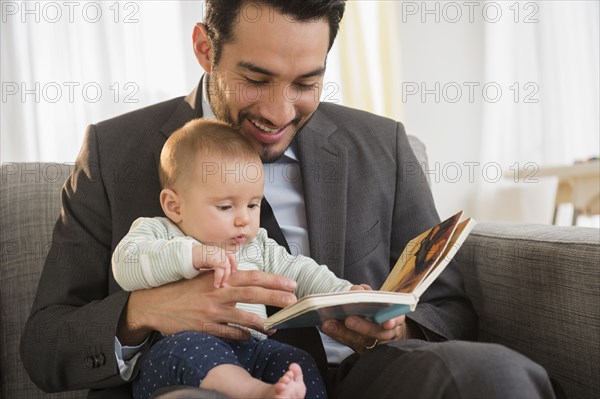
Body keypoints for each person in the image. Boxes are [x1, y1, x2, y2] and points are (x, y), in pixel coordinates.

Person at [21, 1, 555, 398]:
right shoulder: (114, 151)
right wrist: (145, 312)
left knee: (493, 374)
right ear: (206, 48)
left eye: (306, 82)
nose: (280, 113)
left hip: (357, 379)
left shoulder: (381, 144)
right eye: (256, 79)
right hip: (194, 376)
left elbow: (450, 310)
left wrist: (396, 325)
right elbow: (43, 345)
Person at [113, 118, 369, 398]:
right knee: (192, 351)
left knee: (297, 361)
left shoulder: (256, 244)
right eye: (225, 206)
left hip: (252, 348)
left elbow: (299, 272)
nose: (243, 220)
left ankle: (280, 392)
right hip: (177, 351)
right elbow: (125, 263)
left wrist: (343, 294)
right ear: (174, 206)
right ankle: (255, 393)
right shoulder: (160, 231)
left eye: (252, 204)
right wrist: (193, 255)